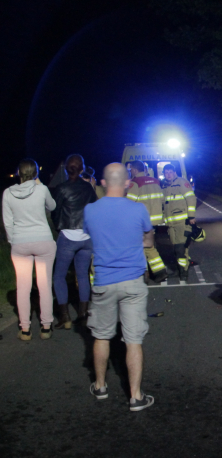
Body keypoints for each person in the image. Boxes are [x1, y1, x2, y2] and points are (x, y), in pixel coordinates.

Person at [84, 163, 155, 411]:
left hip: (103, 280)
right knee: (133, 340)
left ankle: (101, 385)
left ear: (102, 183)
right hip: (133, 281)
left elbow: (89, 237)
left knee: (101, 336)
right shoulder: (138, 209)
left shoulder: (90, 210)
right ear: (128, 183)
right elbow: (148, 239)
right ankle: (135, 396)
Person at [2, 159, 57, 340]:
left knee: (23, 287)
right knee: (44, 285)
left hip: (20, 243)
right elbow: (52, 206)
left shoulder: (7, 193)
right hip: (43, 240)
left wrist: (13, 241)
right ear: (35, 173)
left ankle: (25, 329)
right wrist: (39, 183)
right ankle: (46, 326)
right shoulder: (41, 190)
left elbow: (8, 222)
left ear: (18, 172)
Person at [51, 154, 97, 330]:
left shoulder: (61, 188)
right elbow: (94, 209)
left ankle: (65, 317)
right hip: (86, 237)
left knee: (59, 276)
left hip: (68, 236)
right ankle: (83, 314)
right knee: (83, 275)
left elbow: (55, 212)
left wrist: (59, 228)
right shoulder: (88, 188)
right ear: (82, 168)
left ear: (66, 169)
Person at [126, 160, 168, 283]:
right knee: (149, 246)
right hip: (154, 221)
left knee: (141, 247)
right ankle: (159, 271)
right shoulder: (155, 181)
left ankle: (144, 275)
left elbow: (129, 203)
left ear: (134, 170)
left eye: (130, 170)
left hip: (140, 222)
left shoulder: (135, 183)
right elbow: (162, 200)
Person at [162, 163, 196, 281]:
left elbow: (191, 198)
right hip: (171, 225)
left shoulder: (181, 182)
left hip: (182, 222)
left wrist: (191, 216)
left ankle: (184, 271)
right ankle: (180, 269)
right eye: (166, 173)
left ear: (175, 172)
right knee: (176, 249)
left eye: (171, 172)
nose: (169, 175)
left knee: (181, 248)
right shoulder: (165, 186)